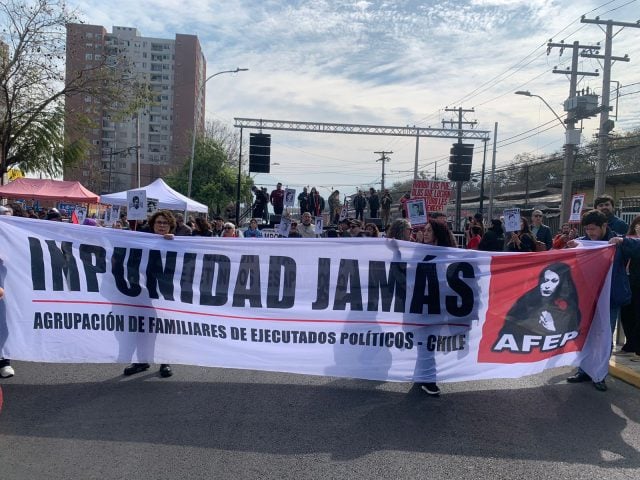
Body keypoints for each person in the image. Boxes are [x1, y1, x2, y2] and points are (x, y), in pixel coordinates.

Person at [566, 209, 640, 391]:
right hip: (586, 298)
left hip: (610, 298)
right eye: (587, 229)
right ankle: (583, 370)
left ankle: (599, 374)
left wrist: (624, 241)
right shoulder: (583, 243)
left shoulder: (617, 241)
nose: (590, 233)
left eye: (593, 229)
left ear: (604, 226)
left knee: (604, 336)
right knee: (584, 335)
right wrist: (569, 246)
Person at [124, 210, 176, 378]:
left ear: (170, 226)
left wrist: (173, 241)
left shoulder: (177, 241)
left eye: (165, 223)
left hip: (165, 293)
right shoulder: (142, 240)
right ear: (153, 224)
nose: (161, 226)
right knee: (142, 326)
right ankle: (141, 361)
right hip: (144, 292)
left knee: (163, 328)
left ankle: (165, 361)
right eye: (159, 222)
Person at [493, 263, 580, 348]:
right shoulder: (528, 299)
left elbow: (572, 330)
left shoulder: (568, 305)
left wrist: (552, 328)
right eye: (545, 280)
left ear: (562, 282)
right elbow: (508, 326)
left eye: (554, 281)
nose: (547, 286)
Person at [617, 216, 640, 360]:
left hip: (638, 283)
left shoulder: (632, 242)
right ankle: (630, 345)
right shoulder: (627, 239)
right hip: (629, 282)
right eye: (638, 225)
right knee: (627, 315)